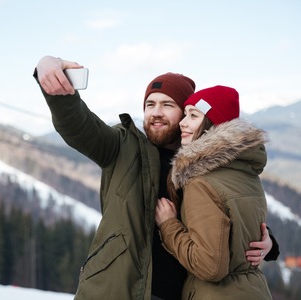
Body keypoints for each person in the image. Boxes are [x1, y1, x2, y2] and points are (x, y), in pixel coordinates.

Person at [34, 56, 279, 300]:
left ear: (186, 113)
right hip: (118, 289)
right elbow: (79, 126)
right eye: (150, 105)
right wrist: (52, 79)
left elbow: (220, 215)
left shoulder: (204, 165)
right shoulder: (122, 147)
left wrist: (266, 242)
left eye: (167, 105)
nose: (156, 113)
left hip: (181, 292)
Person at [155, 85, 273, 299]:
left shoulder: (201, 182)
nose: (183, 121)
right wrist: (271, 243)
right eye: (185, 114)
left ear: (213, 126)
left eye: (193, 115)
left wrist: (168, 226)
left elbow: (210, 266)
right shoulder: (244, 170)